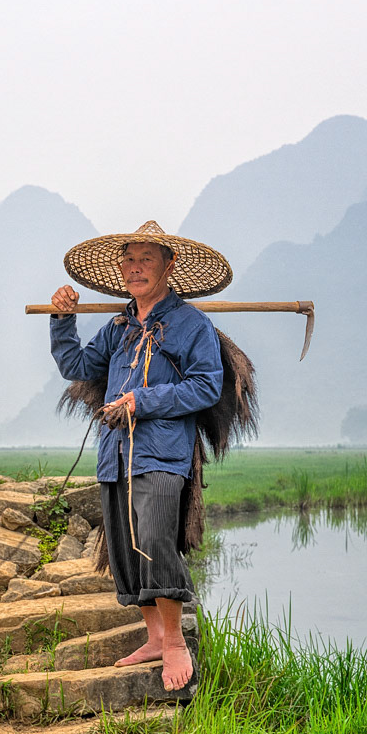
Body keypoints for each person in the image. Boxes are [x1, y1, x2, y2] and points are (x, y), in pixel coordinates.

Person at [49, 220, 232, 691]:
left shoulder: (192, 325)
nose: (136, 269)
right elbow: (76, 366)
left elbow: (207, 385)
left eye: (146, 259)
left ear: (169, 266)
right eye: (129, 260)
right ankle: (152, 636)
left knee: (154, 539)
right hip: (115, 455)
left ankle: (175, 642)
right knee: (128, 550)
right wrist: (62, 320)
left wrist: (141, 400)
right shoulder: (119, 326)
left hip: (161, 453)